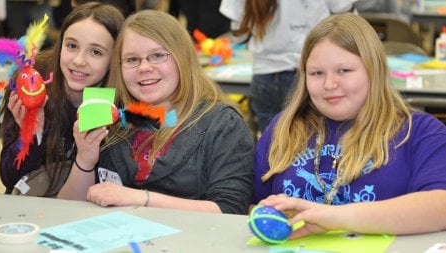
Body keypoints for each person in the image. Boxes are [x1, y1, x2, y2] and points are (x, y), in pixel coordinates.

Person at [254, 13, 446, 239]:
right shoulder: (284, 129)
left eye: (344, 71)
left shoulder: (420, 132)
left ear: (373, 70)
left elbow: (440, 206)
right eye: (316, 73)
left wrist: (334, 217)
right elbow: (253, 204)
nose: (329, 84)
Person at [57, 10, 255, 215]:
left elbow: (231, 209)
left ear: (182, 58)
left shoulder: (223, 124)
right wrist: (85, 160)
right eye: (132, 59)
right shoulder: (112, 118)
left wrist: (142, 198)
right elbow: (67, 212)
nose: (144, 67)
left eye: (158, 55)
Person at [0, 2, 124, 195]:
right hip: (33, 210)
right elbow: (10, 179)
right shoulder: (33, 80)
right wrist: (32, 135)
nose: (79, 61)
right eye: (72, 46)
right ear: (60, 44)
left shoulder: (120, 99)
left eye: (96, 52)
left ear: (114, 59)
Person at [219, 0, 356, 133]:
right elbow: (346, 17)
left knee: (271, 145)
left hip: (266, 74)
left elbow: (239, 34)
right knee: (314, 143)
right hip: (310, 72)